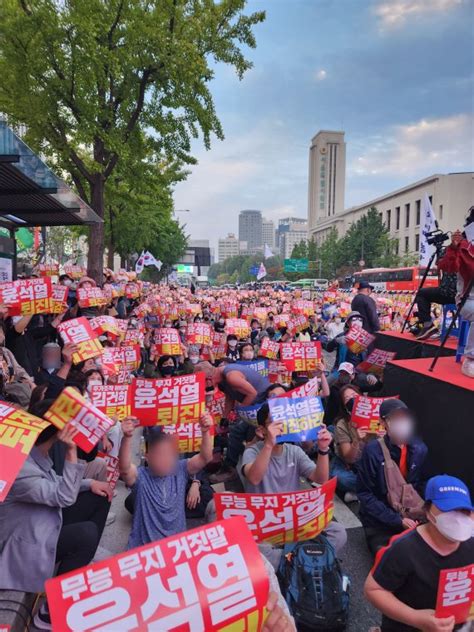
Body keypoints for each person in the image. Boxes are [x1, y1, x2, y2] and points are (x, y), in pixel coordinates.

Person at [0, 419, 110, 630]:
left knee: (99, 497)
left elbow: (55, 481)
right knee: (85, 533)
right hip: (26, 540)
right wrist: (71, 451)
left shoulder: (32, 453)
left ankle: (77, 567)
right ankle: (52, 609)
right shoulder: (18, 466)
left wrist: (90, 483)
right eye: (54, 442)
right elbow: (64, 496)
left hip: (44, 521)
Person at [365, 474, 473, 632]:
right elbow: (374, 589)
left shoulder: (471, 544)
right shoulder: (404, 548)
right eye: (448, 509)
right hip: (409, 626)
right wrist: (415, 618)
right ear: (428, 511)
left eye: (465, 511)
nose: (458, 518)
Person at [241, 402, 347, 555]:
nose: (281, 427)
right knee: (253, 549)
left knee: (338, 532)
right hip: (265, 524)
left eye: (283, 421)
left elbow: (321, 478)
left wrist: (323, 449)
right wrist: (269, 444)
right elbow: (254, 478)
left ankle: (292, 559)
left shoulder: (294, 451)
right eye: (274, 422)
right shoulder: (252, 452)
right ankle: (300, 558)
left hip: (294, 521)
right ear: (261, 430)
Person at [119, 413, 213, 548]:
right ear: (147, 456)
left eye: (170, 454)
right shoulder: (141, 477)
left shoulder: (180, 469)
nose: (165, 459)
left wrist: (205, 432)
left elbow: (205, 458)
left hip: (176, 549)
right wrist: (127, 438)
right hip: (144, 550)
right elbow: (125, 469)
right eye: (159, 454)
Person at [357, 399, 429, 556]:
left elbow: (421, 484)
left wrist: (426, 510)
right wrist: (397, 520)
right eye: (395, 418)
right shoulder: (373, 451)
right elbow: (364, 494)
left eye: (405, 417)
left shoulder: (419, 449)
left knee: (426, 554)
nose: (402, 422)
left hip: (411, 513)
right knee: (390, 557)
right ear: (383, 422)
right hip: (380, 520)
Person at [437, 207, 474, 377]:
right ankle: (471, 358)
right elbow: (448, 267)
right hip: (468, 299)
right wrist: (453, 247)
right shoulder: (463, 246)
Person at [331, 383, 370, 503]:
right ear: (344, 406)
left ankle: (359, 493)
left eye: (354, 395)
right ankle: (368, 492)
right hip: (350, 464)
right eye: (348, 399)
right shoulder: (342, 424)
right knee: (340, 478)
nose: (353, 400)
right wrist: (357, 441)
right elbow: (349, 458)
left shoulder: (377, 418)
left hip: (370, 464)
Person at [413, 271, 457, 340]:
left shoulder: (454, 261)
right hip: (465, 296)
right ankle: (428, 325)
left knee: (422, 293)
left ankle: (428, 324)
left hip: (450, 293)